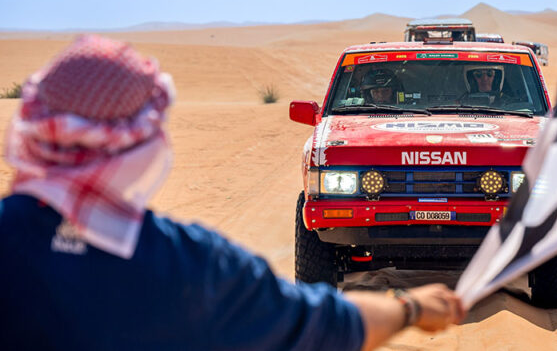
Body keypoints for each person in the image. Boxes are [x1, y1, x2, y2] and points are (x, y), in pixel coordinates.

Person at [0, 35, 464, 351]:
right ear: (145, 143)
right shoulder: (195, 265)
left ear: (31, 131)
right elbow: (322, 326)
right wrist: (412, 308)